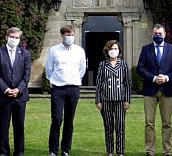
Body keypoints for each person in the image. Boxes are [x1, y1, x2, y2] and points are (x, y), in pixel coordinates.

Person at [137, 24, 172, 156]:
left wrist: (166, 77)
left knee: (167, 123)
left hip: (166, 90)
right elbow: (140, 68)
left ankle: (167, 151)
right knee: (149, 123)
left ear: (165, 34)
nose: (158, 36)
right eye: (156, 34)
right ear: (152, 34)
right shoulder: (146, 49)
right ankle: (150, 151)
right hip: (150, 90)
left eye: (160, 34)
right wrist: (153, 78)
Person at [45, 24, 86, 156]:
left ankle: (65, 149)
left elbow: (82, 69)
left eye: (72, 35)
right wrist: (53, 81)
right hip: (58, 89)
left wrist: (75, 79)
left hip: (73, 88)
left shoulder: (79, 51)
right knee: (56, 119)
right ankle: (53, 149)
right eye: (68, 35)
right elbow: (49, 69)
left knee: (69, 120)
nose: (70, 37)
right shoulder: (54, 50)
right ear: (62, 36)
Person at [0, 27, 32, 156]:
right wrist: (6, 89)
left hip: (20, 96)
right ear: (6, 37)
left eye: (16, 37)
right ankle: (4, 151)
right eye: (12, 37)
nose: (14, 39)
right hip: (2, 96)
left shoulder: (25, 53)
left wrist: (19, 89)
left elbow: (27, 74)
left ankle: (19, 151)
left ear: (19, 39)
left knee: (19, 125)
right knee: (3, 126)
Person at [94, 40, 132, 156]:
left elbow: (127, 83)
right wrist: (98, 101)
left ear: (119, 50)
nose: (113, 51)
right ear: (107, 50)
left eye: (115, 49)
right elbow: (99, 84)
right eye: (111, 49)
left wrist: (127, 100)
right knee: (108, 126)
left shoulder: (124, 64)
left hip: (120, 100)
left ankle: (120, 151)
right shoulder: (103, 65)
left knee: (120, 126)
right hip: (106, 100)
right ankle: (110, 151)